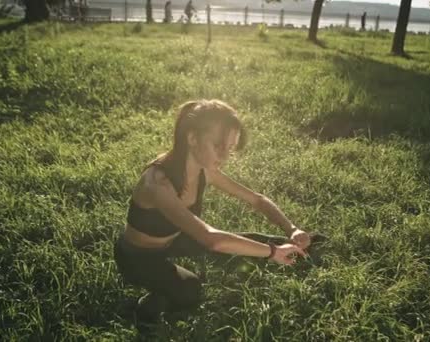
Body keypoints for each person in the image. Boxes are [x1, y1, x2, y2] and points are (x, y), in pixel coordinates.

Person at [113, 99, 328, 324]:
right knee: (191, 289)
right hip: (137, 257)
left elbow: (257, 200)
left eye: (230, 148)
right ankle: (148, 308)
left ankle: (296, 247)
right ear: (192, 138)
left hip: (175, 239)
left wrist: (291, 228)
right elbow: (211, 239)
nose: (224, 156)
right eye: (218, 145)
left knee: (241, 243)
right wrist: (271, 252)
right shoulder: (157, 183)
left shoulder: (205, 169)